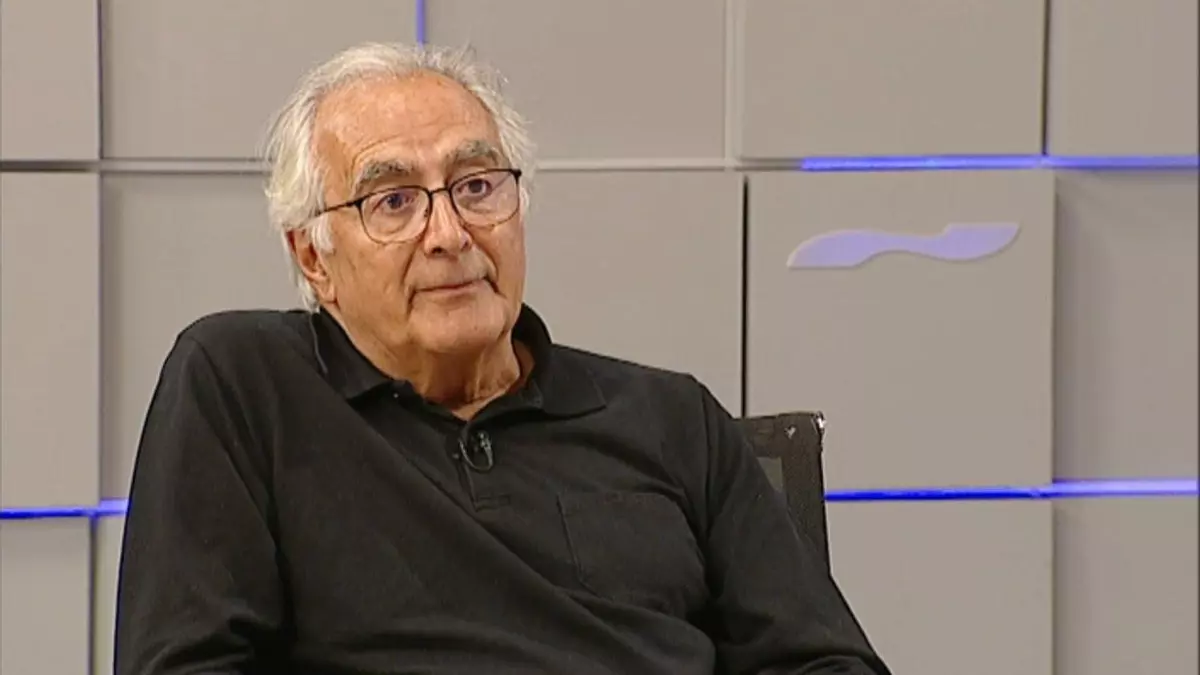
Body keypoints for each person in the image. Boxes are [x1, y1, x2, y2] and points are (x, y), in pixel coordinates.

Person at [113, 42, 890, 675]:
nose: (449, 233)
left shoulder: (672, 417)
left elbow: (824, 660)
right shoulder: (244, 382)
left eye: (477, 186)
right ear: (314, 258)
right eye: (393, 201)